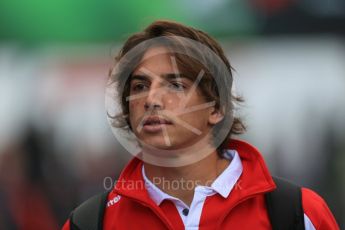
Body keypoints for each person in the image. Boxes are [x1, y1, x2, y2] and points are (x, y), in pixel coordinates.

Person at [62, 20, 339, 229]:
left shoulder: (295, 212)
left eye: (175, 85)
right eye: (140, 85)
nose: (152, 99)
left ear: (216, 108)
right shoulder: (91, 222)